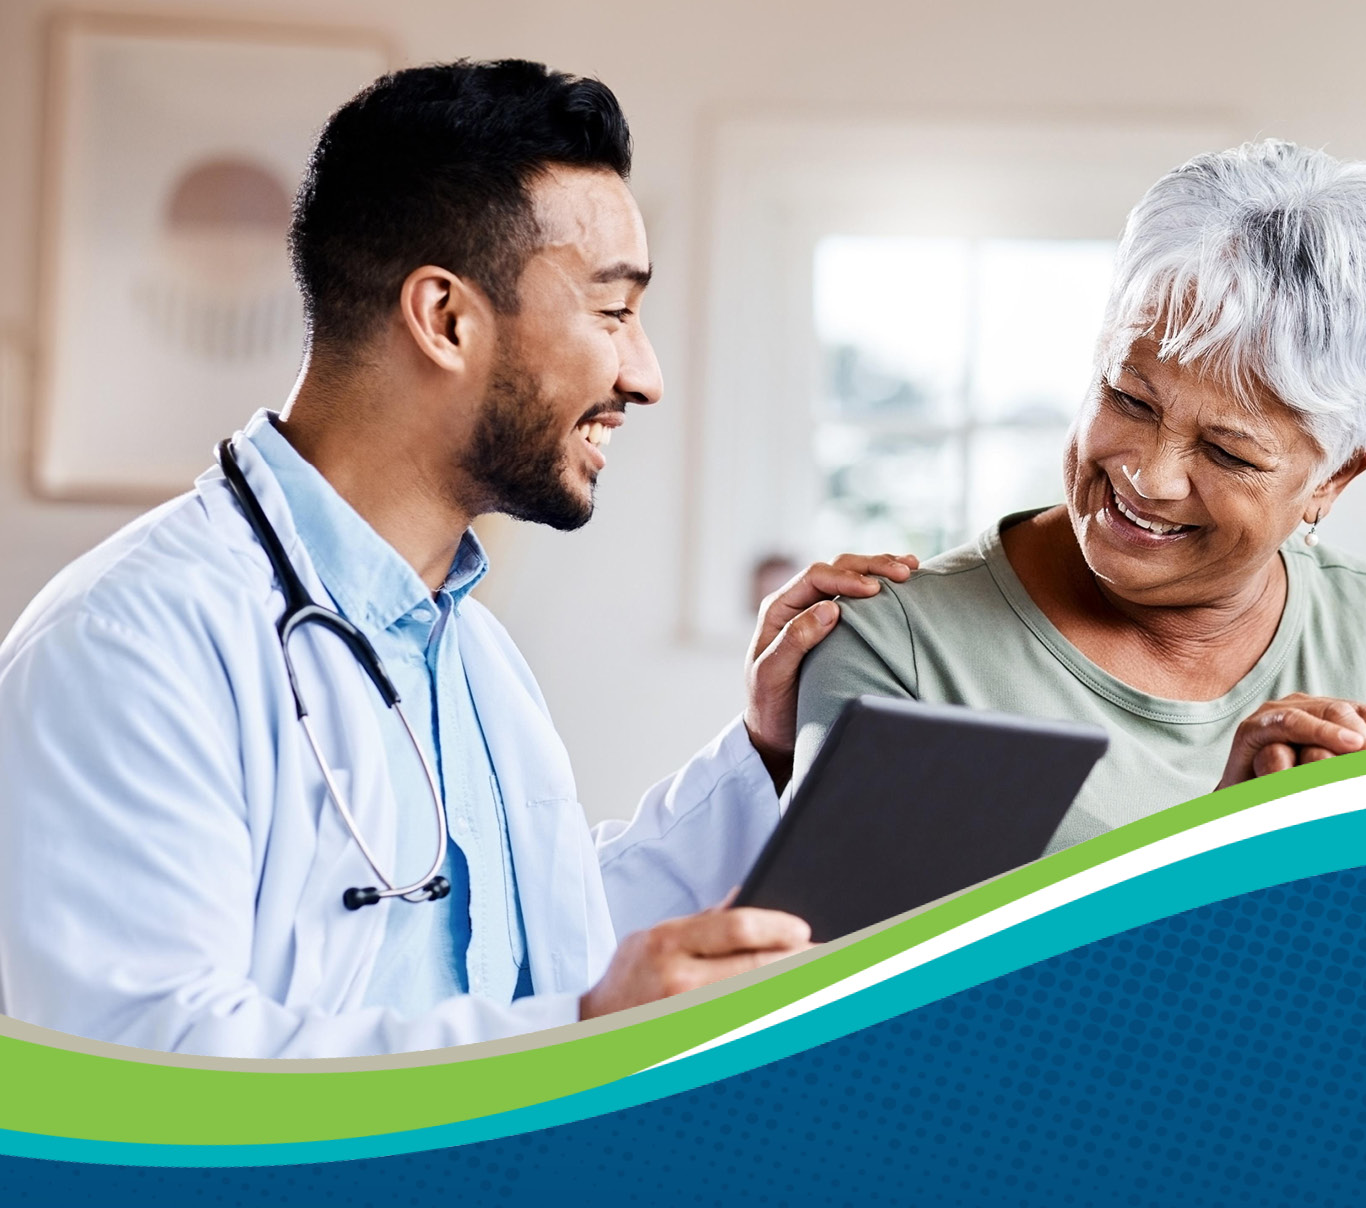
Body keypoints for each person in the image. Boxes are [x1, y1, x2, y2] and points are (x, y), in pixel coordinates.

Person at [0, 60, 917, 1058]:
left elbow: (542, 958)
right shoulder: (126, 645)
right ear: (445, 319)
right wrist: (581, 1031)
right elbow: (139, 1073)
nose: (644, 376)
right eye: (613, 311)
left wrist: (765, 755)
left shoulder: (465, 644)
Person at [795, 139, 1366, 853]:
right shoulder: (897, 650)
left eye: (1229, 453)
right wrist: (1229, 865)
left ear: (1334, 478)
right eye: (1130, 399)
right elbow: (849, 934)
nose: (1151, 477)